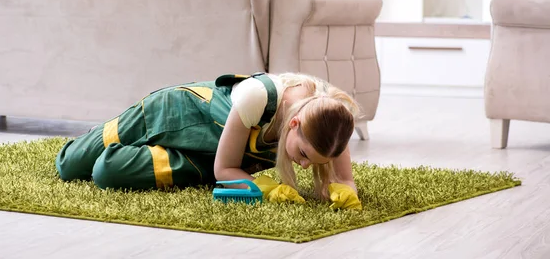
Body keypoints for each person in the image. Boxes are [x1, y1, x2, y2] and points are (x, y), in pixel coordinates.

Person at [55, 72, 362, 210]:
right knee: (69, 166)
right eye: (304, 154)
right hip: (172, 114)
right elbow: (226, 169)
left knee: (105, 173)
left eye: (312, 163)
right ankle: (103, 135)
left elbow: (345, 178)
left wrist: (343, 190)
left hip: (204, 157)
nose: (305, 165)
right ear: (293, 124)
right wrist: (266, 189)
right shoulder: (260, 96)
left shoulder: (331, 122)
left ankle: (125, 156)